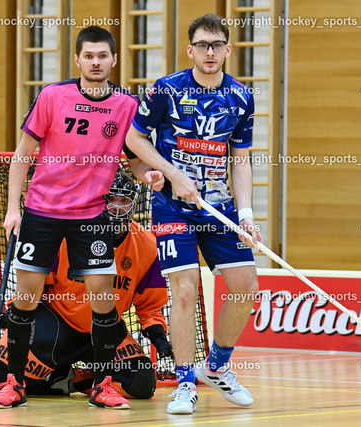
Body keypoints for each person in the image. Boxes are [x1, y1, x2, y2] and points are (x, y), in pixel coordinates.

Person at [0, 169, 172, 404]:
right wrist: (13, 315)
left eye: (123, 201)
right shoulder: (68, 232)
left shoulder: (146, 244)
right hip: (54, 326)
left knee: (142, 383)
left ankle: (71, 380)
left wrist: (158, 336)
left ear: (134, 203)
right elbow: (32, 287)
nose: (116, 207)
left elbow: (149, 303)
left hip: (106, 330)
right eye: (110, 199)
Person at [2, 25, 163, 410]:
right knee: (25, 299)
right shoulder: (52, 97)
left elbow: (136, 158)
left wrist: (151, 175)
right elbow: (22, 155)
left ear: (114, 60)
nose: (95, 62)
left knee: (103, 301)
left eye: (102, 56)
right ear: (77, 60)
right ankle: (14, 382)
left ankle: (102, 384)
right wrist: (13, 208)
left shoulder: (126, 106)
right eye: (88, 56)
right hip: (42, 212)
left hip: (91, 218)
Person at [125, 14, 261, 414]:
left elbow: (241, 160)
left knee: (244, 286)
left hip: (219, 210)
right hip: (172, 206)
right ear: (191, 50)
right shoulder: (165, 90)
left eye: (217, 45)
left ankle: (215, 368)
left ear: (228, 49)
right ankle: (184, 383)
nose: (210, 52)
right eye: (202, 45)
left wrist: (248, 214)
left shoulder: (241, 97)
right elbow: (134, 138)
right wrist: (172, 175)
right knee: (184, 291)